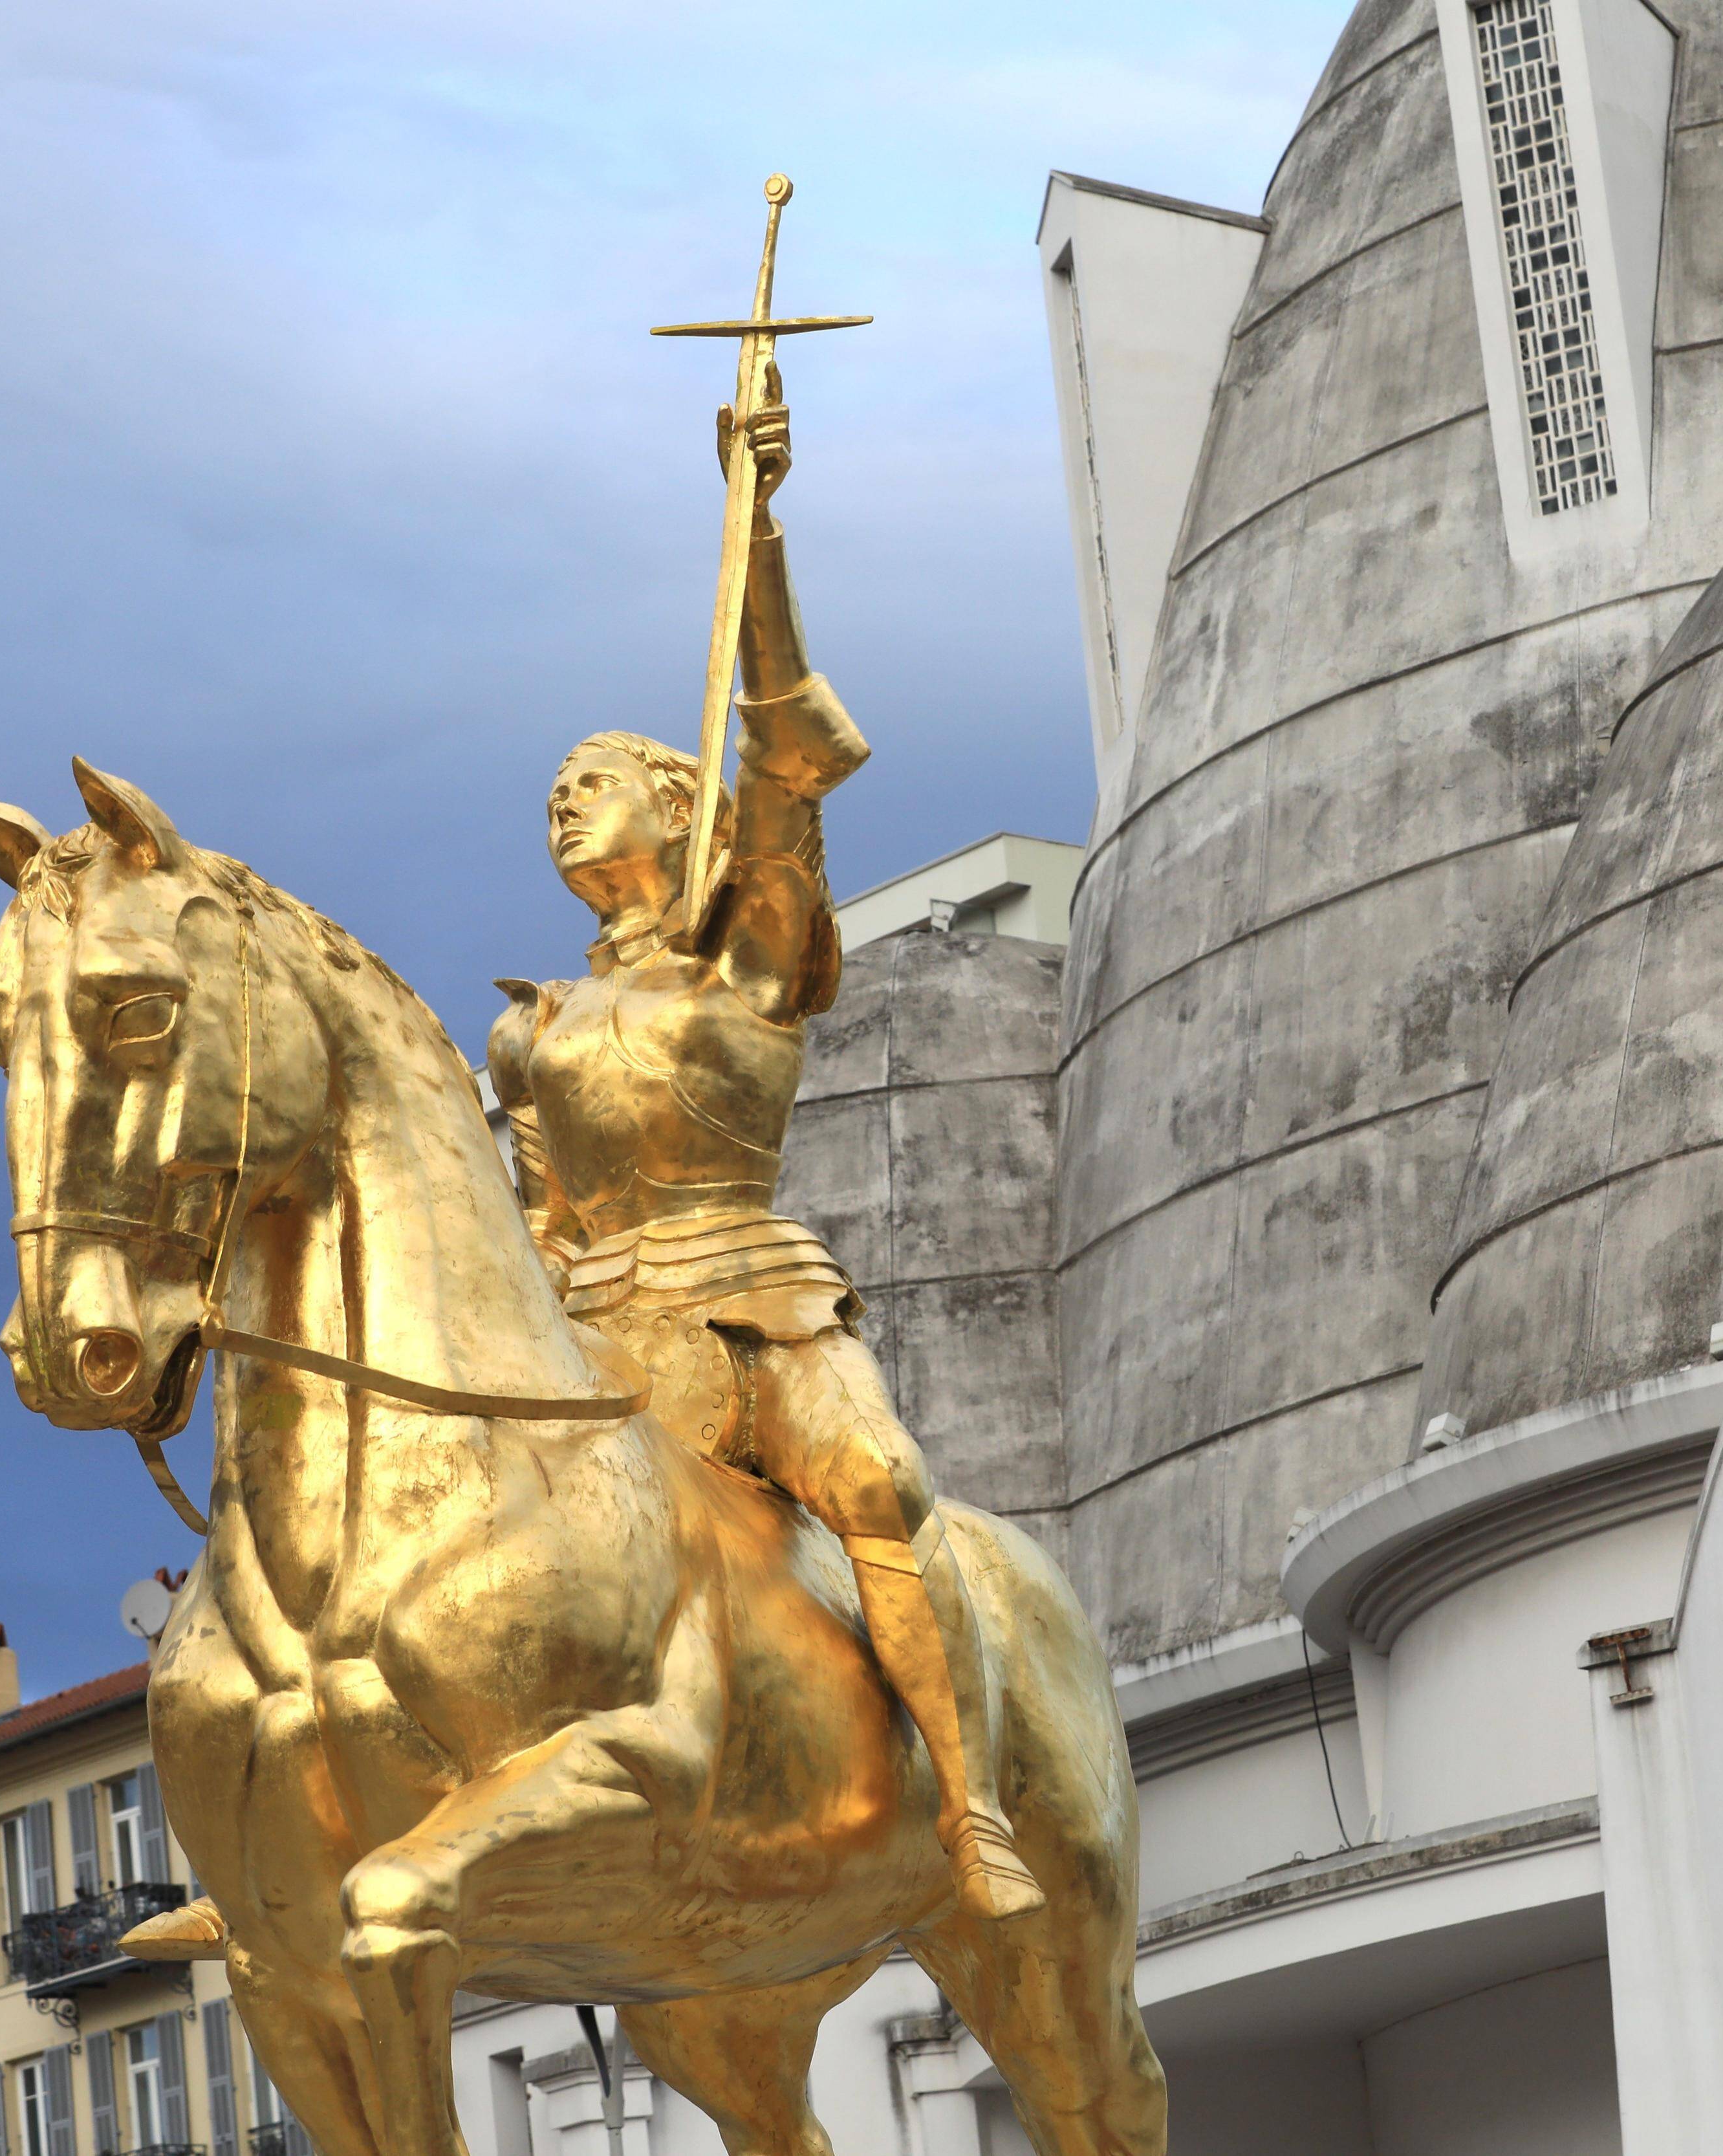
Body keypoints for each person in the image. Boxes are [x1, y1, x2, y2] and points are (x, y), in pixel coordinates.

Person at [485, 395, 1043, 1923]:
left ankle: (972, 1798)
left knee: (872, 1479)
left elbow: (790, 758)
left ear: (680, 808)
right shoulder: (531, 1027)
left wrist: (762, 527)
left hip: (749, 1297)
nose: (560, 797)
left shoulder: (746, 962)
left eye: (591, 777)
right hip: (594, 1329)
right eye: (550, 786)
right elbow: (529, 1217)